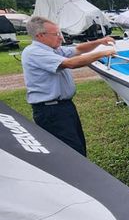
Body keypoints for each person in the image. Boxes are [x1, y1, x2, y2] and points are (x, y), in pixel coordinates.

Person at [21, 16, 116, 156]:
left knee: (78, 146)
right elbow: (71, 63)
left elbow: (77, 49)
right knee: (70, 153)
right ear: (40, 36)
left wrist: (100, 42)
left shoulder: (53, 49)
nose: (60, 38)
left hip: (63, 107)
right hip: (51, 111)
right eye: (56, 34)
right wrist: (103, 53)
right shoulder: (34, 52)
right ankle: (79, 177)